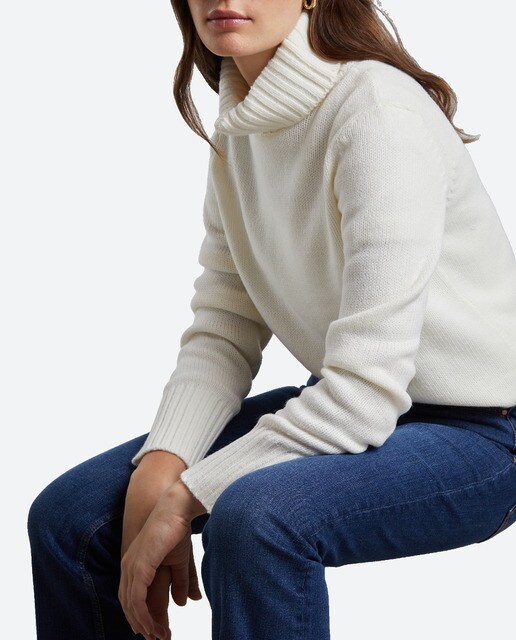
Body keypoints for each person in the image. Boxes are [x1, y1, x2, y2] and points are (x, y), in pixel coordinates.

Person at [27, 1, 516, 639]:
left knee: (256, 518)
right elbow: (225, 325)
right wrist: (163, 463)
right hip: (351, 405)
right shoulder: (243, 125)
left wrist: (188, 494)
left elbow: (365, 389)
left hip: (481, 431)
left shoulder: (378, 112)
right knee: (72, 519)